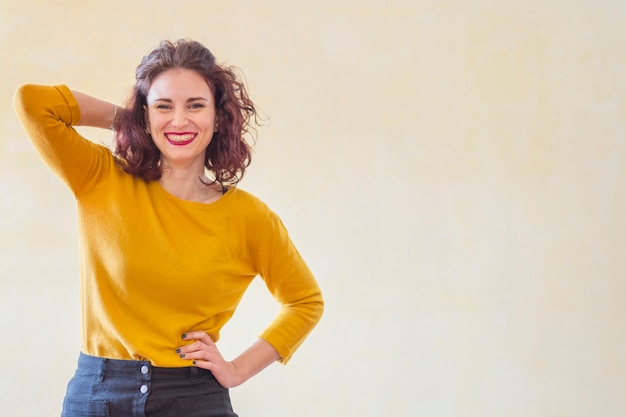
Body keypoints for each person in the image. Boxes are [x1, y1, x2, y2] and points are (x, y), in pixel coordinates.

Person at [13, 39, 324, 417]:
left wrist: (237, 369)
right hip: (98, 393)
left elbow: (304, 302)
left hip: (193, 397)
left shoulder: (250, 218)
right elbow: (33, 103)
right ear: (146, 114)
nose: (179, 121)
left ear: (218, 117)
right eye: (163, 107)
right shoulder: (100, 179)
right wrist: (129, 120)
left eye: (195, 105)